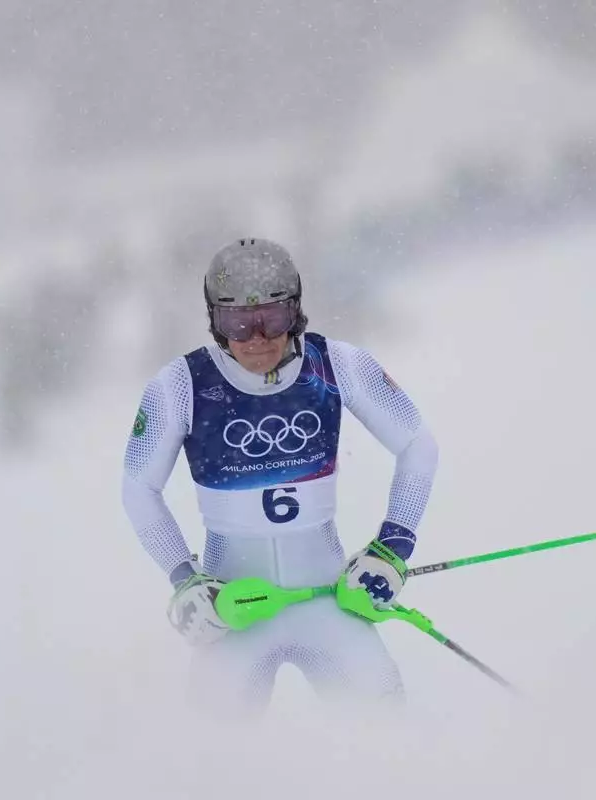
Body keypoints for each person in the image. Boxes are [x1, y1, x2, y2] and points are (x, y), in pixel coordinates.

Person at [121, 238, 438, 714]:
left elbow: (418, 445)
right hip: (232, 613)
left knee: (389, 735)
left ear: (296, 312)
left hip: (328, 602)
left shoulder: (337, 364)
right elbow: (138, 489)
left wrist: (393, 549)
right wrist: (186, 582)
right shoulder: (179, 387)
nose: (256, 337)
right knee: (213, 764)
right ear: (215, 321)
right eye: (237, 322)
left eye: (272, 318)